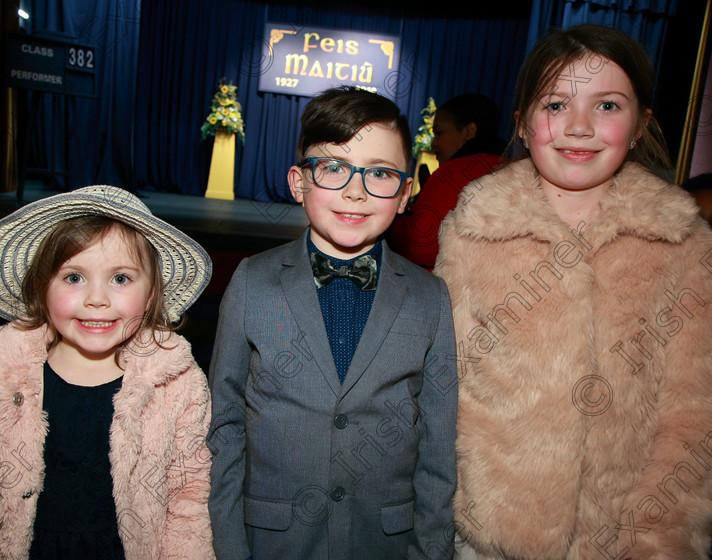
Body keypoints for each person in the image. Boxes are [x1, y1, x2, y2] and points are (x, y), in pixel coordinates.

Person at [435, 24, 712, 559]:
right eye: (556, 104)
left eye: (608, 106)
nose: (580, 127)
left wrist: (660, 537)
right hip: (482, 539)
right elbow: (448, 386)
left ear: (640, 126)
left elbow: (693, 412)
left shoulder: (683, 241)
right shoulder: (472, 228)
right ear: (523, 123)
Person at [207, 86, 458, 560]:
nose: (355, 190)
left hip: (383, 542)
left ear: (405, 193)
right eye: (334, 168)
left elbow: (439, 447)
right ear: (299, 182)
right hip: (274, 540)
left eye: (380, 173)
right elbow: (225, 425)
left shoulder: (431, 298)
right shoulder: (251, 281)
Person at [0, 186, 216, 559]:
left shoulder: (178, 380)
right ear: (41, 287)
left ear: (151, 294)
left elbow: (188, 499)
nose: (97, 299)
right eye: (74, 278)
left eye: (121, 279)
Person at [387, 93, 506, 270]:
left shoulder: (455, 172)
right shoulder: (510, 167)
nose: (433, 143)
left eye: (439, 133)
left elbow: (421, 245)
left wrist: (392, 222)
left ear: (469, 132)